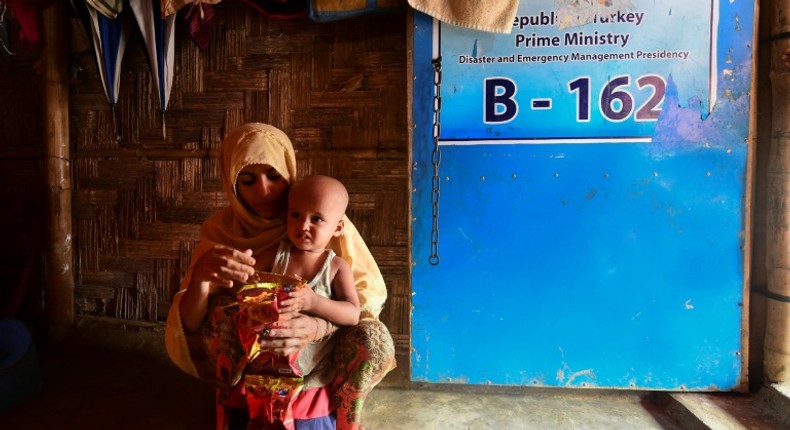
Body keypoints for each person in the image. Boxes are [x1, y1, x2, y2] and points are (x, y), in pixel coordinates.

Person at [165, 122, 396, 430]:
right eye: (247, 180)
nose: (264, 191)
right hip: (260, 353)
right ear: (231, 184)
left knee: (374, 338)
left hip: (317, 355)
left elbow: (361, 310)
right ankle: (237, 403)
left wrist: (318, 324)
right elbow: (194, 324)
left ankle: (341, 415)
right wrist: (202, 278)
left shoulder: (329, 224)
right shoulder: (222, 232)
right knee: (222, 310)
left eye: (274, 176)